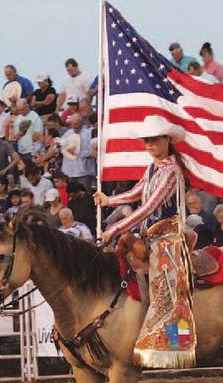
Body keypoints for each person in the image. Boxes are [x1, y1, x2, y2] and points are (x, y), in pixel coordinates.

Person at [93, 115, 196, 368]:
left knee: (166, 285)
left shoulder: (170, 171)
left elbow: (149, 206)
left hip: (168, 237)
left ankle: (172, 341)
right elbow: (137, 192)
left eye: (154, 140)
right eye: (146, 140)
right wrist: (109, 201)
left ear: (167, 140)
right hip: (152, 234)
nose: (149, 144)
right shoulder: (153, 168)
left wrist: (114, 228)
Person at [60, 113, 96, 191]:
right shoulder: (68, 133)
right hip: (70, 171)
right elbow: (62, 147)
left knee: (85, 193)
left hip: (84, 171)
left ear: (81, 122)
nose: (74, 126)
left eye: (76, 124)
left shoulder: (89, 133)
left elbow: (92, 152)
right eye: (72, 124)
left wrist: (77, 152)